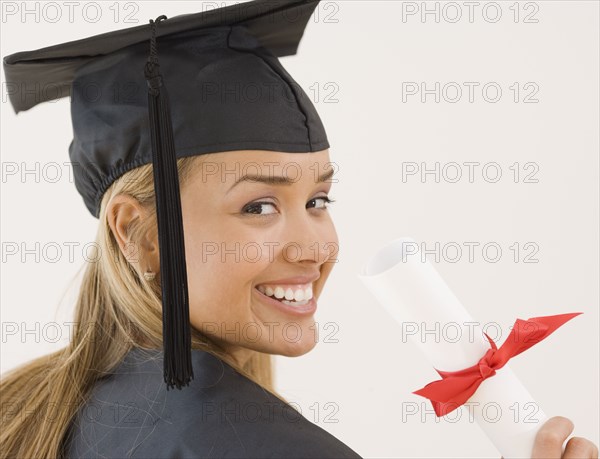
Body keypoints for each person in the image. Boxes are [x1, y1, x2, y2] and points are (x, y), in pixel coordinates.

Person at [0, 1, 597, 458]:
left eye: (318, 198)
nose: (316, 247)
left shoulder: (39, 413)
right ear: (142, 235)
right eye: (259, 206)